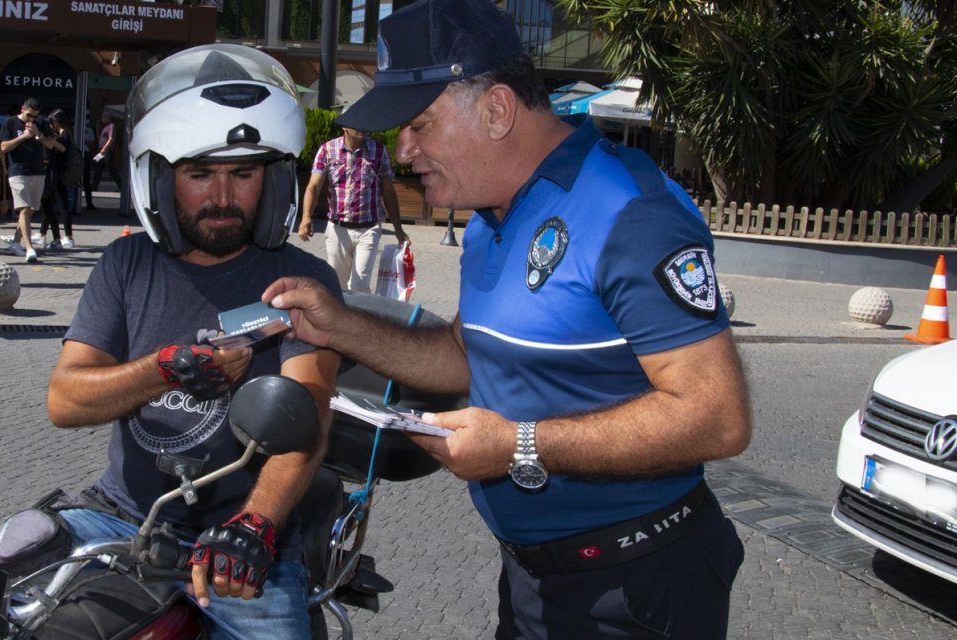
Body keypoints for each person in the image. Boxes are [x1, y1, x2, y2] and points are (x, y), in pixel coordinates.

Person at [262, 0, 751, 638]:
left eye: (419, 125)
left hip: (638, 590)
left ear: (496, 110)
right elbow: (467, 354)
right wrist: (340, 326)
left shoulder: (630, 212)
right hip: (531, 582)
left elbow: (718, 416)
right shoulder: (493, 215)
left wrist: (521, 445)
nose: (403, 150)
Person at [44, 44, 341, 640]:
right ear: (160, 178)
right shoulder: (126, 263)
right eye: (200, 174)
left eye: (244, 174)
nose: (224, 197)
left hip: (241, 540)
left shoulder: (307, 283)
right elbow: (65, 401)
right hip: (120, 517)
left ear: (275, 179)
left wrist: (255, 525)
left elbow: (306, 417)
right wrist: (166, 367)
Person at [298, 126, 408, 293]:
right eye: (356, 124)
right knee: (337, 285)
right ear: (344, 127)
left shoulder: (379, 151)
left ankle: (358, 317)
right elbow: (314, 186)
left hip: (368, 228)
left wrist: (398, 230)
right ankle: (340, 317)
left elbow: (388, 191)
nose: (362, 128)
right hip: (338, 228)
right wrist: (306, 217)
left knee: (360, 284)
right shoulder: (327, 150)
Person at [0, 97, 56, 262]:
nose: (32, 119)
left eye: (35, 116)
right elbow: (2, 147)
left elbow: (51, 144)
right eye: (29, 115)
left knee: (30, 211)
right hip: (18, 171)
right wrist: (23, 136)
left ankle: (15, 242)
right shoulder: (10, 123)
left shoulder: (42, 123)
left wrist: (38, 134)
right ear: (23, 109)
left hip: (37, 172)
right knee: (23, 210)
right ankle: (30, 248)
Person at [33, 108, 75, 249]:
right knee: (48, 203)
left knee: (61, 205)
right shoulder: (63, 133)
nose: (52, 126)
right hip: (57, 172)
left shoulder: (65, 134)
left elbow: (62, 148)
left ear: (58, 122)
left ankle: (68, 236)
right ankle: (42, 233)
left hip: (59, 173)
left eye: (53, 123)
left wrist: (48, 140)